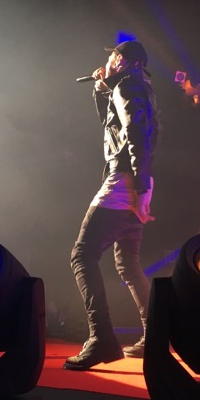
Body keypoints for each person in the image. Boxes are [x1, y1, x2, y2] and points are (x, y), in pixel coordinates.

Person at [64, 40, 159, 371]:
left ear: (126, 61)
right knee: (128, 264)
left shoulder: (128, 85)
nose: (110, 60)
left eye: (115, 56)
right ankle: (155, 335)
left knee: (82, 255)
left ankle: (102, 338)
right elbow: (114, 128)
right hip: (136, 178)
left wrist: (140, 186)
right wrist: (101, 90)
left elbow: (136, 132)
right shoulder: (135, 87)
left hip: (125, 181)